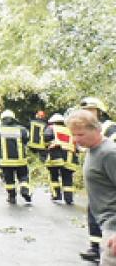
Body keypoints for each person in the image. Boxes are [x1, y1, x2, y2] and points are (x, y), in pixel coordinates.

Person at [67, 109, 116, 266]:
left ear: (96, 129)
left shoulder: (109, 153)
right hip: (106, 224)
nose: (75, 139)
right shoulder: (92, 149)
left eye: (80, 135)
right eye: (73, 134)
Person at [0, 109, 31, 204]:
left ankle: (12, 197)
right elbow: (26, 140)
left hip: (5, 162)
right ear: (13, 118)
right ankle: (24, 189)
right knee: (23, 177)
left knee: (9, 180)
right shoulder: (21, 129)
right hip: (20, 160)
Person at [44, 112, 77, 204]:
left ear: (52, 122)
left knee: (54, 176)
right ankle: (69, 198)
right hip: (70, 156)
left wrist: (47, 146)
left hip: (56, 154)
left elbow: (46, 139)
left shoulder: (51, 128)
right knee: (67, 177)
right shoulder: (69, 130)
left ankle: (56, 195)